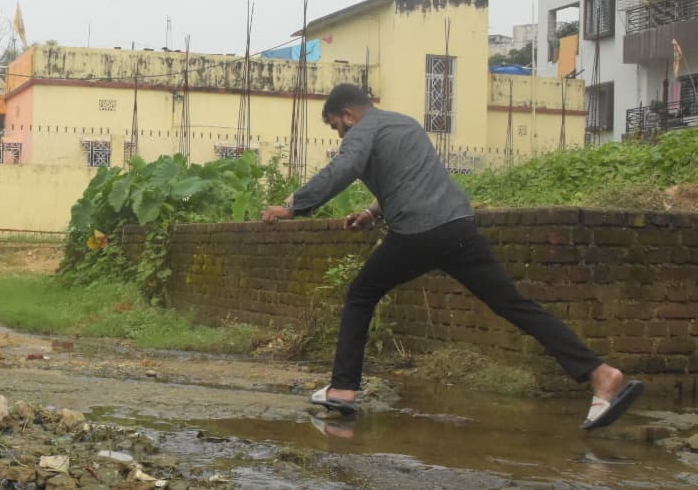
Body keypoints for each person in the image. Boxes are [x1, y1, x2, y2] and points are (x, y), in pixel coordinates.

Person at [260, 83, 643, 431]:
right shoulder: (404, 125)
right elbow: (411, 178)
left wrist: (294, 206)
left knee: (361, 295)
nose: (340, 135)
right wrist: (373, 213)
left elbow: (343, 168)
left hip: (417, 233)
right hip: (458, 227)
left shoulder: (362, 130)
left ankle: (343, 390)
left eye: (336, 126)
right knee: (514, 304)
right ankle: (600, 373)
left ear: (347, 114)